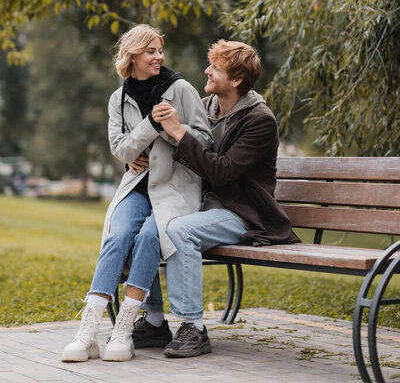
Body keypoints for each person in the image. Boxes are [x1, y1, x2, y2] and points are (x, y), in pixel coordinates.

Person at [131, 39, 300, 357]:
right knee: (148, 228)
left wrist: (180, 132)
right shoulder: (207, 108)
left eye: (216, 68)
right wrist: (135, 153)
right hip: (203, 205)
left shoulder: (259, 120)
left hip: (243, 213)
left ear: (236, 80)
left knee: (180, 230)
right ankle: (154, 322)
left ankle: (194, 328)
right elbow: (175, 144)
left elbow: (222, 172)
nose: (206, 71)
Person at [61, 24, 212, 363]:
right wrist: (150, 126)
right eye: (151, 51)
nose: (159, 56)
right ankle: (87, 333)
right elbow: (122, 151)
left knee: (147, 238)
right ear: (132, 56)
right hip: (136, 187)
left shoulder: (181, 89)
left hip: (174, 188)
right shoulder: (119, 98)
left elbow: (205, 141)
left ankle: (125, 330)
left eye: (160, 50)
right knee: (118, 237)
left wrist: (173, 127)